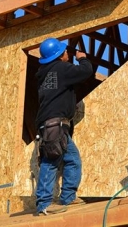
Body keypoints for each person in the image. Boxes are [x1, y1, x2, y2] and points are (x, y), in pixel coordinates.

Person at [35, 37, 93, 215]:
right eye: (65, 52)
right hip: (56, 123)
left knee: (69, 159)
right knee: (52, 160)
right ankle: (44, 204)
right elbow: (86, 72)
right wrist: (82, 58)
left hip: (48, 123)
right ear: (59, 55)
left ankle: (67, 197)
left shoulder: (44, 74)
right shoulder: (61, 68)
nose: (68, 53)